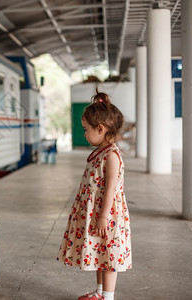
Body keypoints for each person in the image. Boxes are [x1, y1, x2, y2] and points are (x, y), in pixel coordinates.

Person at [57, 90, 132, 300]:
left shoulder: (112, 156)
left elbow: (110, 189)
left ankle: (108, 297)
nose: (84, 134)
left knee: (109, 256)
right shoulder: (101, 151)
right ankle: (99, 292)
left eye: (86, 130)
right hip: (97, 213)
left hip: (108, 215)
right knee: (100, 252)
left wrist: (103, 216)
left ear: (100, 129)